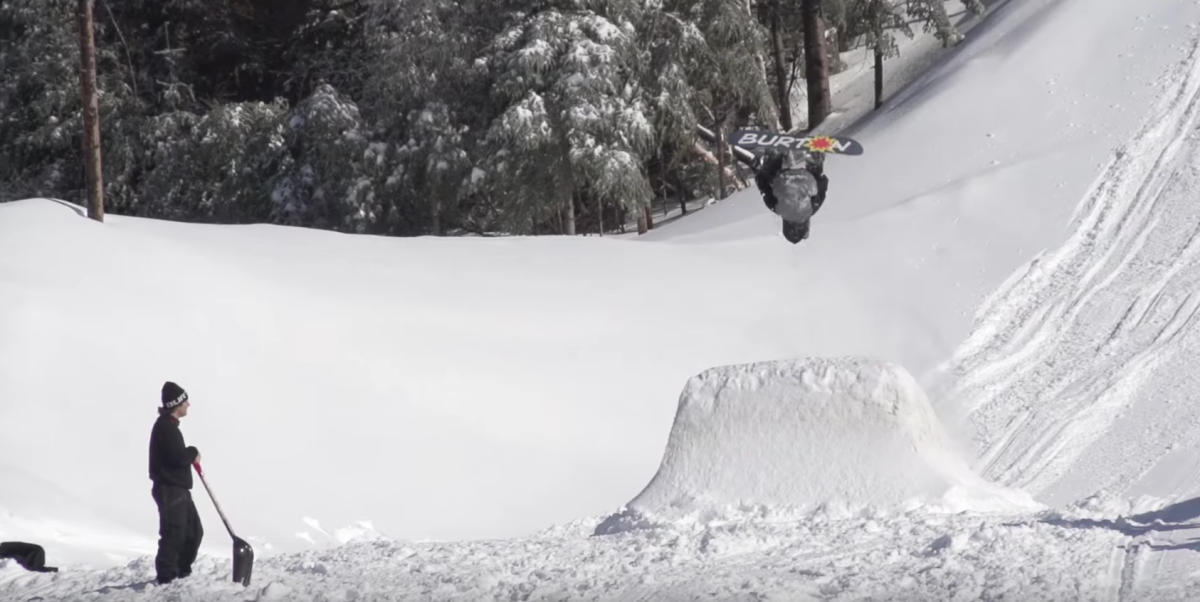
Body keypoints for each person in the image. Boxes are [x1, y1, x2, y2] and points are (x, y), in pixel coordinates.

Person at [148, 381, 203, 584]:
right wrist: (193, 451)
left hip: (178, 488)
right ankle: (167, 577)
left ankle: (181, 572)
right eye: (185, 400)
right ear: (177, 403)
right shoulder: (165, 427)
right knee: (174, 532)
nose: (188, 404)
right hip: (169, 488)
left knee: (193, 531)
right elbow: (177, 458)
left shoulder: (169, 427)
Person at [753, 147, 830, 243]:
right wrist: (759, 173)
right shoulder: (777, 210)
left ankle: (815, 156)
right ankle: (774, 152)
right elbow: (764, 189)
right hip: (784, 177)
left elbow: (821, 190)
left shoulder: (812, 209)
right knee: (770, 176)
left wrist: (820, 178)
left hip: (804, 178)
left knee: (815, 176)